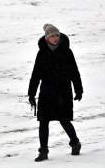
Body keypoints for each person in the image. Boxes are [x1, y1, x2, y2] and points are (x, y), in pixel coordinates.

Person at [28, 23, 83, 162]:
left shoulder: (67, 51)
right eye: (52, 36)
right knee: (43, 122)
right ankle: (43, 151)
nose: (55, 38)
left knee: (64, 120)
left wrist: (78, 89)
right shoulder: (42, 53)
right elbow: (36, 75)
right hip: (46, 93)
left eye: (56, 35)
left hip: (63, 92)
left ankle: (75, 143)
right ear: (47, 38)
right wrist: (31, 94)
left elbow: (74, 72)